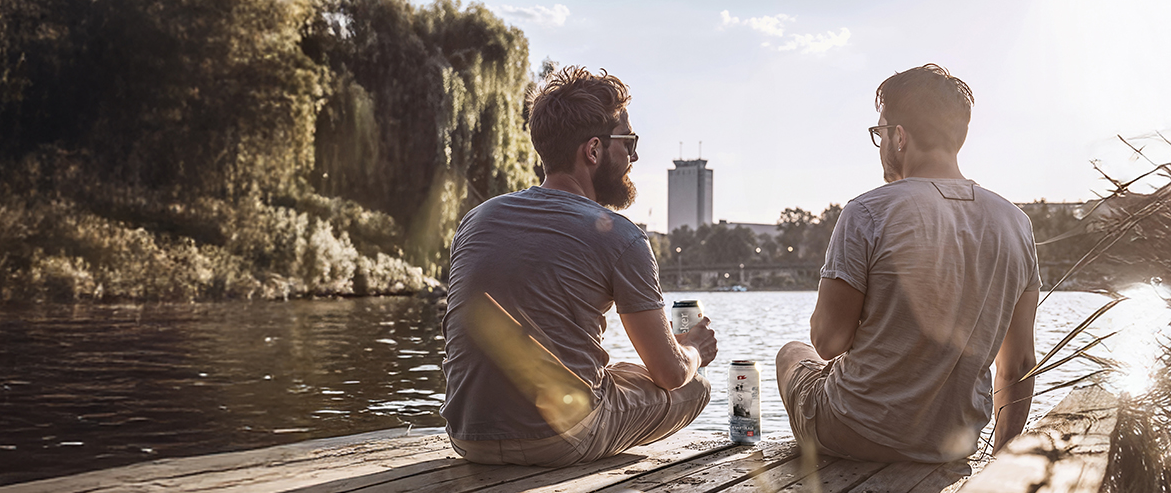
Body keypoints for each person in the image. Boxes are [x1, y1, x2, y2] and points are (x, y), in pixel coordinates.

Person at [440, 66, 718, 467]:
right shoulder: (622, 236)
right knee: (695, 386)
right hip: (558, 441)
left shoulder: (476, 220)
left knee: (622, 371)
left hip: (467, 436)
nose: (635, 155)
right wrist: (692, 348)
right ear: (593, 150)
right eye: (628, 141)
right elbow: (671, 374)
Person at [776, 64, 1040, 463]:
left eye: (880, 132)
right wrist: (999, 462)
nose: (881, 142)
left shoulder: (867, 211)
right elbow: (1018, 363)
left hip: (853, 431)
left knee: (792, 353)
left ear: (899, 136)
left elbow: (828, 343)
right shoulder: (1016, 224)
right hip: (954, 443)